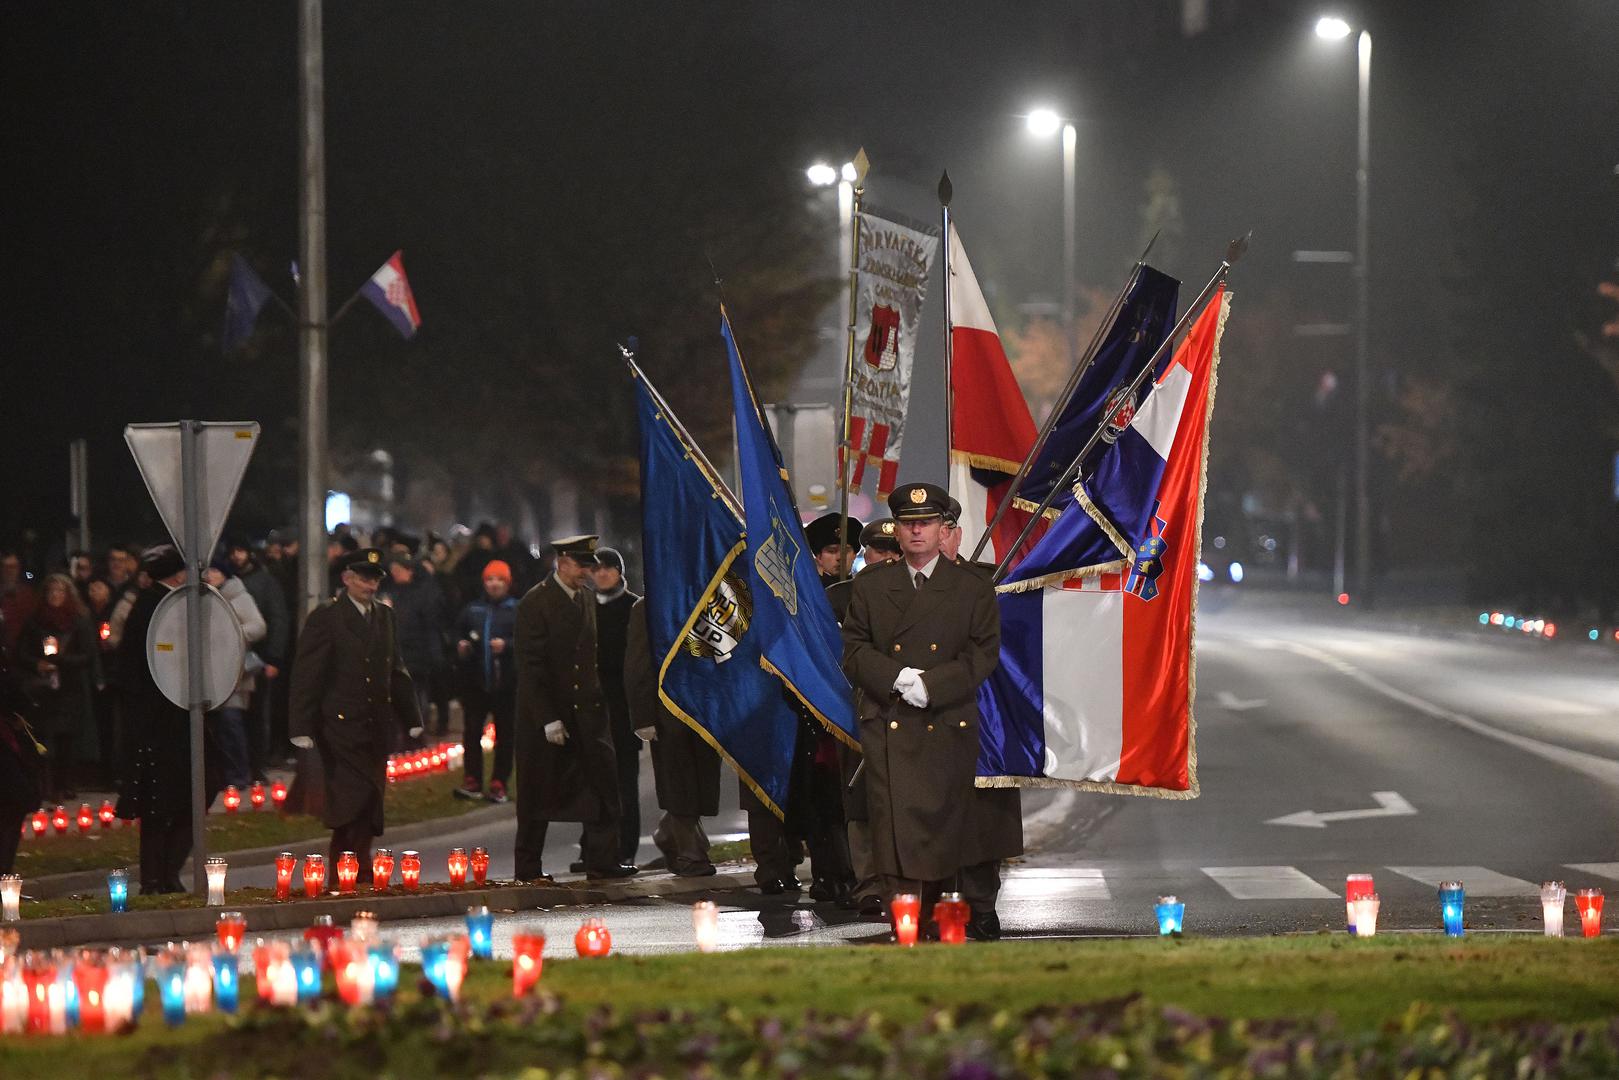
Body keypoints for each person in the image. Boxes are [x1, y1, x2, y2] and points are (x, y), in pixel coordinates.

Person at [841, 482, 1001, 926]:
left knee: (943, 828)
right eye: (908, 524)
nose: (916, 532)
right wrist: (896, 679)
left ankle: (939, 916)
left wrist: (932, 686)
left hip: (945, 720)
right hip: (888, 721)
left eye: (925, 523)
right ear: (896, 530)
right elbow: (853, 649)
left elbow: (983, 652)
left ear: (943, 528)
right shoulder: (871, 585)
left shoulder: (971, 586)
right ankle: (906, 922)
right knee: (892, 828)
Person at [288, 548, 422, 883]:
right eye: (363, 578)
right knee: (350, 799)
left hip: (376, 725)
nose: (370, 585)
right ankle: (345, 867)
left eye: (375, 579)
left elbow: (395, 669)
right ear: (347, 578)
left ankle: (359, 864)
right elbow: (308, 674)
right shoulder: (327, 617)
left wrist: (412, 717)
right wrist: (301, 726)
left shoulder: (385, 616)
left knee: (371, 798)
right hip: (340, 726)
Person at [512, 535, 635, 882]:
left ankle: (603, 860)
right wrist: (547, 718)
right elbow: (531, 667)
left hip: (587, 714)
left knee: (603, 787)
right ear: (562, 563)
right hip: (549, 716)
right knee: (537, 794)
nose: (587, 573)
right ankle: (528, 868)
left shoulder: (586, 598)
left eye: (589, 567)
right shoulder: (535, 603)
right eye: (581, 566)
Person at [939, 498, 1023, 939]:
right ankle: (939, 906)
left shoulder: (990, 582)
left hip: (983, 718)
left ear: (957, 534)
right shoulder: (894, 585)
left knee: (982, 822)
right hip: (923, 717)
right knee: (930, 818)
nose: (940, 537)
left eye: (947, 528)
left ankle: (982, 905)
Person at [117, 545, 215, 894]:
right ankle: (160, 876)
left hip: (161, 719)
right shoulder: (161, 607)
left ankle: (161, 876)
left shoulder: (153, 604)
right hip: (164, 720)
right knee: (168, 799)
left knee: (166, 800)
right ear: (178, 576)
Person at [826, 517, 904, 916]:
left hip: (905, 709)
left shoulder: (918, 593)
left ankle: (903, 881)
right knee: (859, 803)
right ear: (864, 554)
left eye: (894, 551)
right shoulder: (838, 598)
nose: (887, 558)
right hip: (853, 709)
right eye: (879, 550)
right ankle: (869, 883)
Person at [624, 595, 720, 876]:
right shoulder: (647, 607)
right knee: (678, 780)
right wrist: (643, 716)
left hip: (705, 707)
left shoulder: (707, 599)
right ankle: (691, 853)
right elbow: (638, 663)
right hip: (668, 709)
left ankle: (668, 832)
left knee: (702, 780)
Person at [18, 573, 101, 800]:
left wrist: (61, 661)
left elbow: (87, 655)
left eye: (60, 591)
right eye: (51, 591)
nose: (55, 595)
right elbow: (22, 652)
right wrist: (38, 664)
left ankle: (65, 783)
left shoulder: (78, 620)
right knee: (44, 738)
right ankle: (46, 785)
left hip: (70, 687)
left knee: (67, 740)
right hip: (43, 689)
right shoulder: (36, 621)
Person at [588, 546, 642, 865]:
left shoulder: (633, 607)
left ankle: (625, 849)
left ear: (619, 572)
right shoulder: (586, 606)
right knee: (594, 782)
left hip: (623, 708)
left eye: (607, 568)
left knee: (624, 783)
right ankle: (595, 849)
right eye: (596, 569)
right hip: (594, 707)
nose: (602, 574)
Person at [451, 558, 518, 803]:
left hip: (506, 685)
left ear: (507, 583)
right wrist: (462, 646)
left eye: (499, 579)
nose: (494, 584)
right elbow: (457, 633)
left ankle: (499, 782)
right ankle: (473, 780)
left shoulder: (516, 609)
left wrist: (507, 645)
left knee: (505, 736)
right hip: (475, 683)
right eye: (490, 579)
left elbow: (527, 639)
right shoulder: (473, 609)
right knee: (471, 733)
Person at [227, 538, 289, 782]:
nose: (237, 556)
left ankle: (257, 765)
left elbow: (277, 618)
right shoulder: (228, 581)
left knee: (256, 714)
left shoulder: (265, 582)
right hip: (232, 659)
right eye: (233, 551)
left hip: (258, 658)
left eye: (240, 550)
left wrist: (274, 657)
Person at [203, 565, 267, 792]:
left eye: (215, 570)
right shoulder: (204, 596)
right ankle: (220, 776)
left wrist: (232, 633)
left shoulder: (238, 597)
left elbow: (258, 627)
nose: (210, 575)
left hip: (233, 673)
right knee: (215, 730)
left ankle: (239, 775)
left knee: (232, 725)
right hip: (209, 674)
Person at [384, 552, 446, 752]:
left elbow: (430, 627)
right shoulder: (392, 593)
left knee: (416, 699)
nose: (394, 574)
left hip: (416, 656)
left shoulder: (422, 594)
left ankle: (415, 739)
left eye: (398, 570)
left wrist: (434, 655)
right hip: (397, 655)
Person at [803, 512, 862, 586]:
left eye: (845, 551)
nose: (840, 557)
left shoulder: (865, 590)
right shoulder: (809, 590)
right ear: (819, 557)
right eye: (831, 551)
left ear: (854, 555)